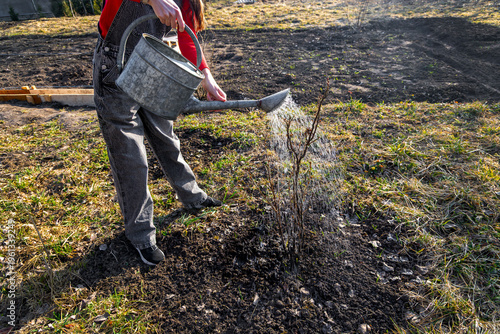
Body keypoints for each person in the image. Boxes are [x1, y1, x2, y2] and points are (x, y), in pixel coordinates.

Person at [93, 0, 227, 266]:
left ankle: (192, 196)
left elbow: (187, 33)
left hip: (154, 62)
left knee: (166, 135)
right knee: (130, 155)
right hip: (115, 62)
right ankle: (141, 234)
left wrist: (205, 75)